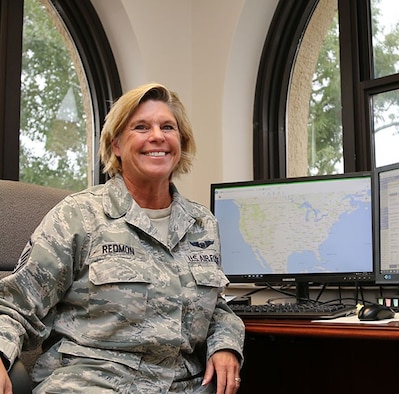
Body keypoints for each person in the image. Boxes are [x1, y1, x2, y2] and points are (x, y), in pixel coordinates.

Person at [0, 83, 245, 393]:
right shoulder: (79, 215)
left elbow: (216, 308)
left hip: (182, 386)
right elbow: (14, 303)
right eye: (141, 127)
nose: (157, 136)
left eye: (167, 127)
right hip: (91, 383)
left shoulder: (202, 224)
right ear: (115, 144)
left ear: (180, 142)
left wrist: (225, 345)